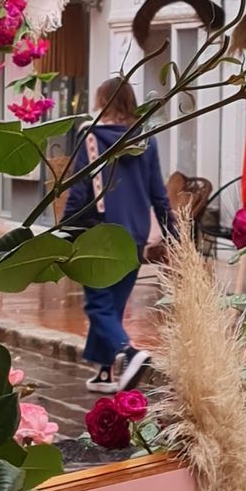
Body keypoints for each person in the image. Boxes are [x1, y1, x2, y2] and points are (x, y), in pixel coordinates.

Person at [62, 77, 171, 390]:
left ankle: (129, 352)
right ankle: (105, 374)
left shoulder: (91, 137)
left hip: (101, 233)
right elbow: (158, 194)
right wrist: (173, 233)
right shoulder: (146, 139)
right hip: (134, 235)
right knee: (112, 305)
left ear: (102, 101)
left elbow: (79, 192)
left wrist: (65, 231)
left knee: (99, 304)